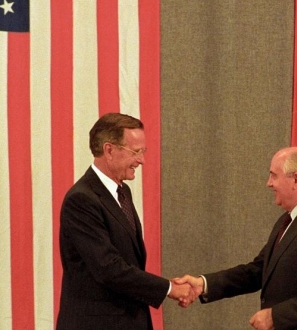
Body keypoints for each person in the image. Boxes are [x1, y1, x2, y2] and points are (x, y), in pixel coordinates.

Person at [175, 147, 297, 330]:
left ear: (296, 179)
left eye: (274, 176)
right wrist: (204, 284)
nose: (269, 183)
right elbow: (259, 270)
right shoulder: (289, 219)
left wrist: (275, 316)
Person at [56, 113, 195, 330]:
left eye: (143, 151)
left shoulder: (122, 192)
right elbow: (109, 268)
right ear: (109, 150)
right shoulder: (82, 199)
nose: (141, 160)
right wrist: (169, 288)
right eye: (136, 152)